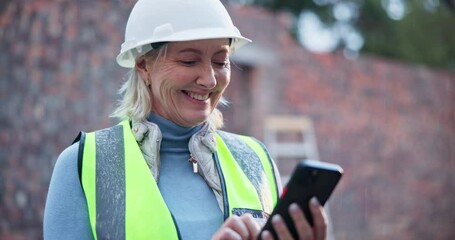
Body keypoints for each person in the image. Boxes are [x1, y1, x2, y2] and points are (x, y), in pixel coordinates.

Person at [43, 0, 328, 239]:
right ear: (143, 65)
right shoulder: (84, 165)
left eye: (220, 61)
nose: (209, 79)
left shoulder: (256, 161)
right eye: (189, 61)